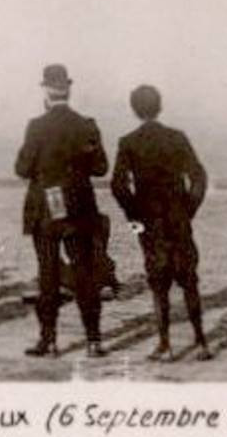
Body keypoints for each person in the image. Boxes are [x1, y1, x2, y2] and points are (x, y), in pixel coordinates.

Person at [15, 63, 110, 359]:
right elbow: (100, 168)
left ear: (46, 91)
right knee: (84, 272)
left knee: (47, 273)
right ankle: (93, 341)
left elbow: (21, 168)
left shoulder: (36, 126)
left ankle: (49, 341)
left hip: (44, 210)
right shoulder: (87, 125)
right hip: (79, 210)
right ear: (68, 89)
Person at [112, 85, 213, 362]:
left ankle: (165, 346)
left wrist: (135, 221)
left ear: (134, 109)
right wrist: (188, 210)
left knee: (159, 286)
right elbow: (199, 178)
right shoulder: (177, 137)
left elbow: (119, 187)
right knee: (189, 281)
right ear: (160, 106)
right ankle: (202, 342)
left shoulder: (128, 142)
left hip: (149, 225)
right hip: (178, 221)